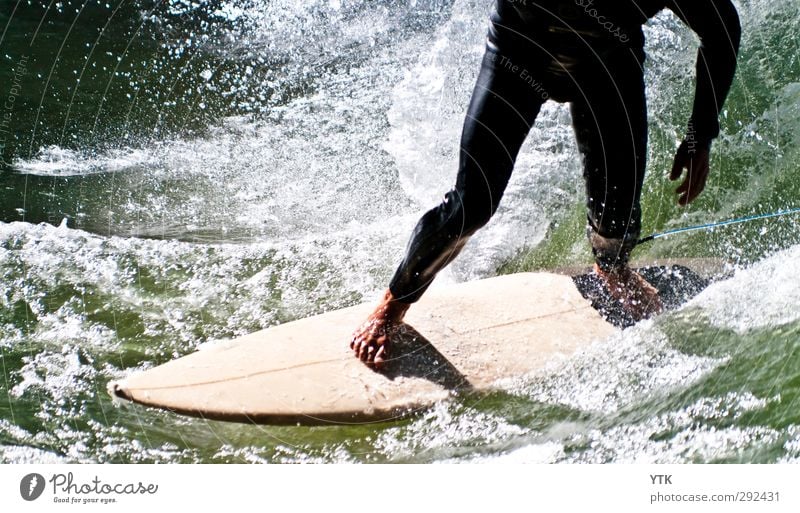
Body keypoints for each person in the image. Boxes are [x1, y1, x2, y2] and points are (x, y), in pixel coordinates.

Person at [351, 0, 741, 368]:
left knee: (616, 218)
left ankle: (612, 267)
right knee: (473, 205)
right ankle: (395, 300)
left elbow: (721, 28)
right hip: (519, 50)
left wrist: (700, 134)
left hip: (606, 63)